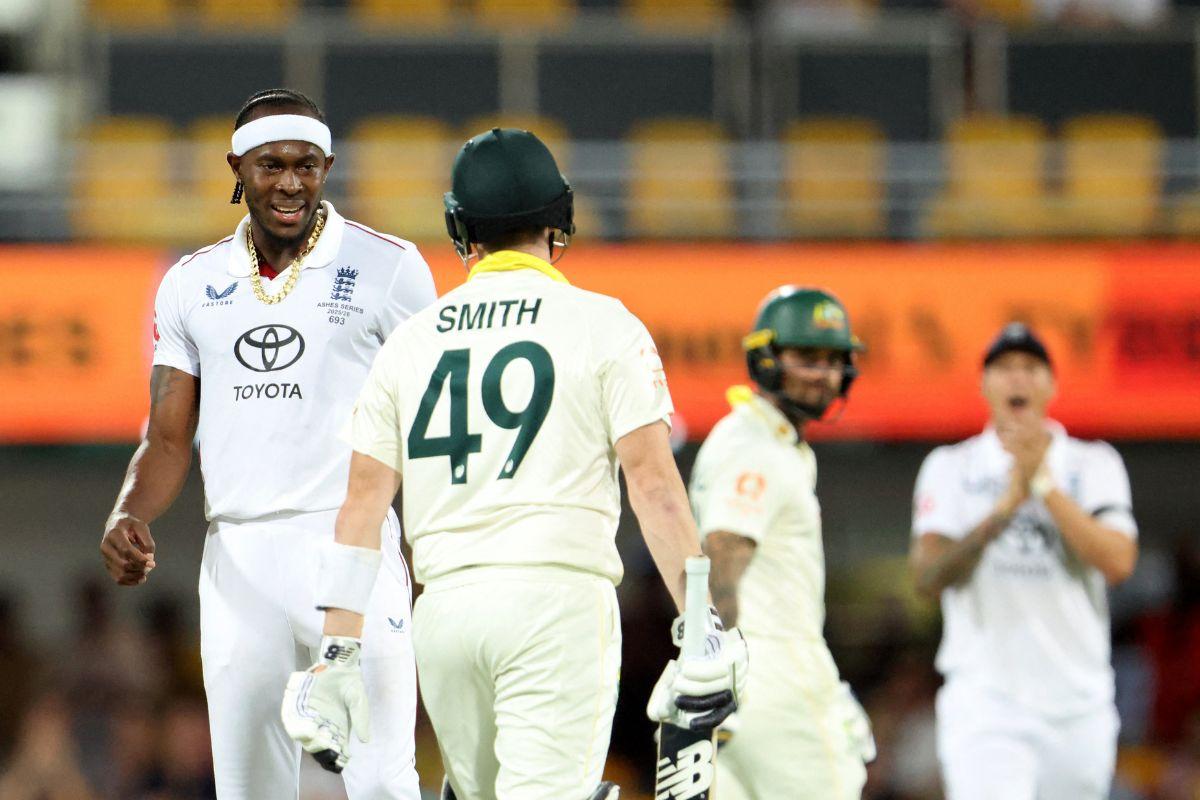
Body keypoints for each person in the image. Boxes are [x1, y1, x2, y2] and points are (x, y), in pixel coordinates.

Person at [280, 127, 747, 800]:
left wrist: (337, 652)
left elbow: (360, 510)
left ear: (460, 227)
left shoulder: (409, 343)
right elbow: (654, 487)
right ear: (560, 217)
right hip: (556, 602)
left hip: (445, 615)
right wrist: (700, 623)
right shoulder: (603, 324)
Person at [98, 88, 437, 799]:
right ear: (237, 168)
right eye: (271, 165)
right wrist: (130, 512)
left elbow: (430, 419)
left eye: (307, 166)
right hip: (237, 558)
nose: (290, 183)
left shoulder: (391, 266)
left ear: (327, 168)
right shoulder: (190, 282)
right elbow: (168, 437)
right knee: (248, 787)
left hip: (350, 546)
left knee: (382, 781)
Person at [909, 322, 1139, 800]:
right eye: (1004, 368)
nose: (1018, 378)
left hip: (1078, 704)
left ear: (1051, 385)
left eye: (1031, 368)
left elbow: (1119, 562)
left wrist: (1044, 487)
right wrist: (1002, 511)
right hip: (986, 702)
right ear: (984, 385)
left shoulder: (1094, 463)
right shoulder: (951, 467)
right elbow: (927, 577)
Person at [688, 286, 875, 800]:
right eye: (807, 357)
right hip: (773, 667)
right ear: (766, 358)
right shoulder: (756, 445)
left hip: (746, 671)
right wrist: (713, 664)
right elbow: (721, 556)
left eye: (833, 360)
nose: (823, 374)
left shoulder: (760, 437)